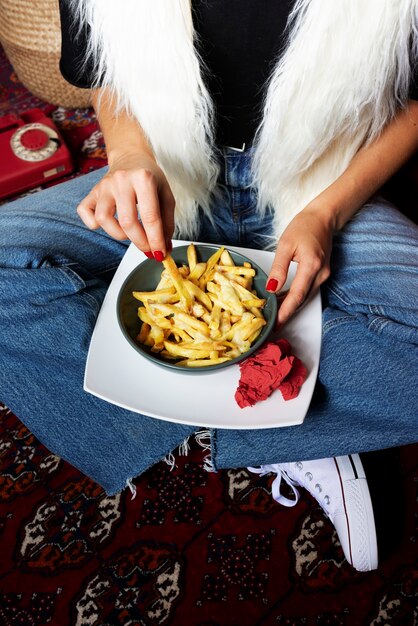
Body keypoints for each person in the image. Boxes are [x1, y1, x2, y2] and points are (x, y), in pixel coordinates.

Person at [1, 0, 417, 572]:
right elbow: (107, 68)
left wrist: (327, 212)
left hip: (325, 177)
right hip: (170, 175)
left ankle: (287, 433)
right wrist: (128, 156)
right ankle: (287, 415)